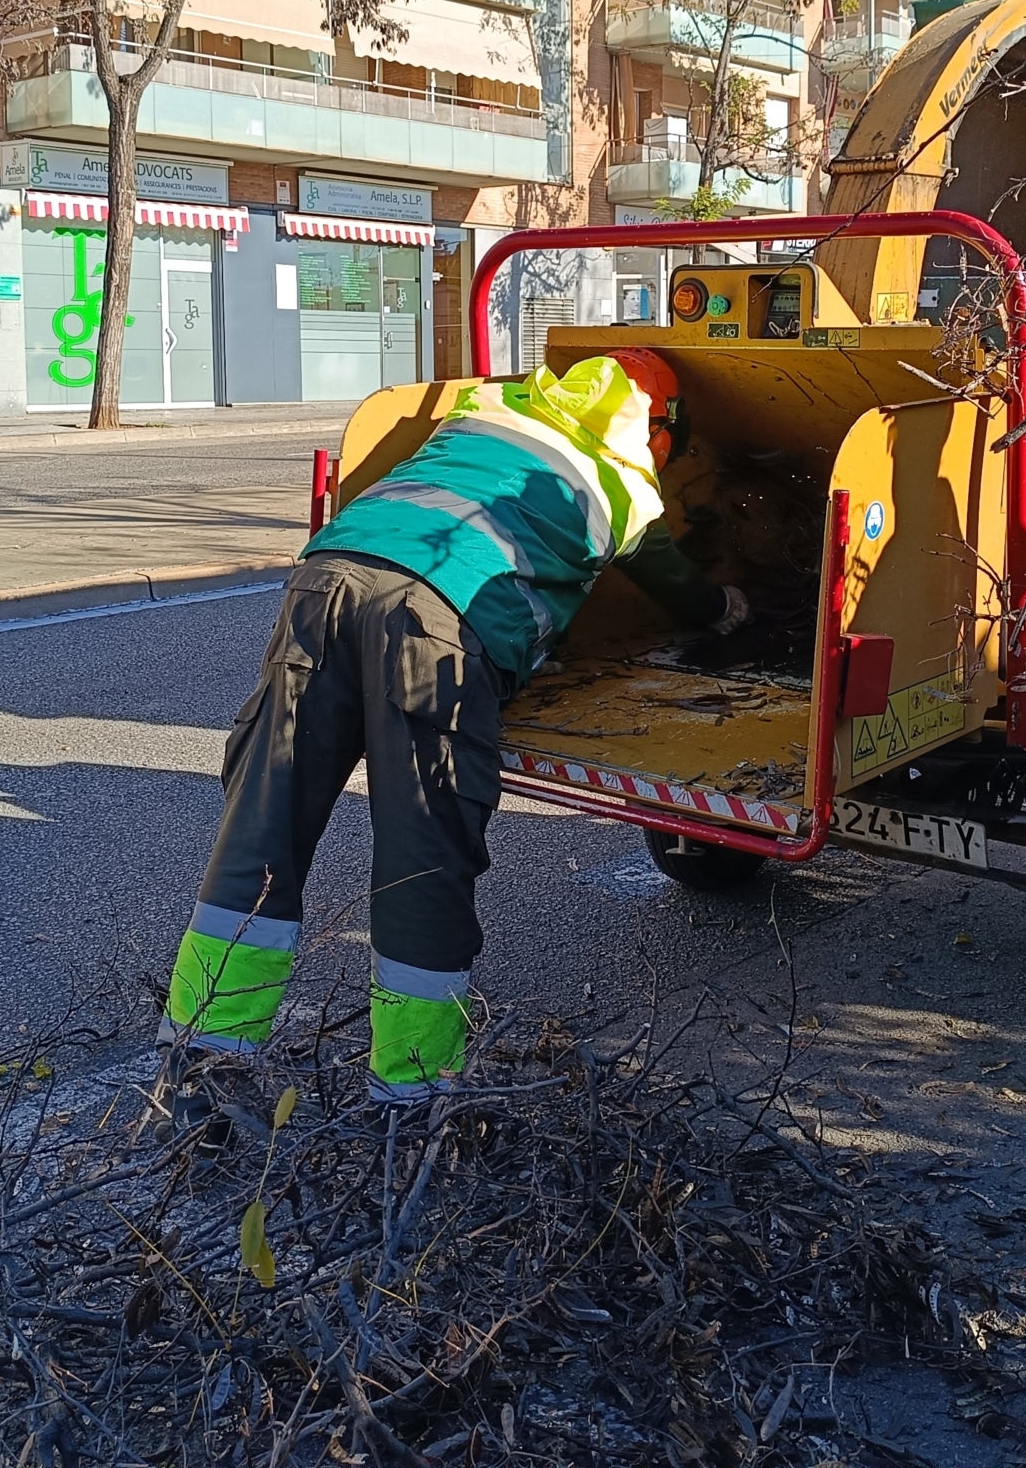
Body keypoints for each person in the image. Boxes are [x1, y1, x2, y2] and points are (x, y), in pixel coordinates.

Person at [159, 349, 747, 1102]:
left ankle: (201, 1068)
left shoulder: (490, 414)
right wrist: (729, 608)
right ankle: (412, 1096)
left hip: (323, 580)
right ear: (655, 430)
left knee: (262, 825)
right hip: (432, 624)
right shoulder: (623, 482)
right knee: (422, 855)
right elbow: (680, 592)